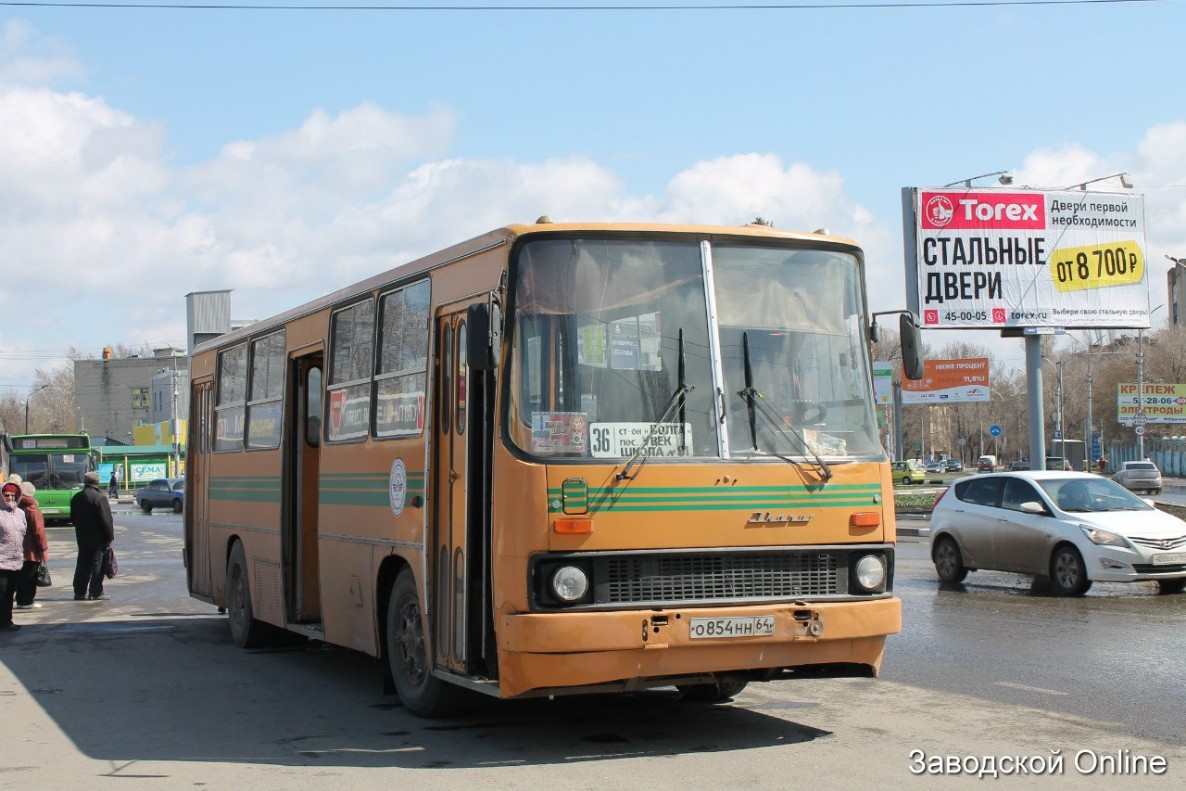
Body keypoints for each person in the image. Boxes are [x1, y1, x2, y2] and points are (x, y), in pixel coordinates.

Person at [70, 470, 114, 601]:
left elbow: (73, 519)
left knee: (82, 565)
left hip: (82, 538)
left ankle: (79, 592)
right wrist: (109, 537)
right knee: (97, 566)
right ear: (97, 482)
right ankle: (95, 592)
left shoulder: (77, 497)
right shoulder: (99, 497)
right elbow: (106, 520)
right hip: (99, 539)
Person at [15, 481, 48, 609]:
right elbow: (38, 531)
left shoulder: (16, 506)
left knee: (21, 575)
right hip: (31, 549)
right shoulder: (32, 508)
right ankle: (26, 601)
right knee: (30, 575)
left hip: (18, 547)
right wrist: (43, 548)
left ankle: (20, 599)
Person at [1, 481, 28, 631]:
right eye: (7, 495)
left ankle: (7, 620)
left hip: (16, 561)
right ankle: (3, 622)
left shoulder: (20, 513)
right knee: (2, 593)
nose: (10, 498)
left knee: (10, 593)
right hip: (1, 561)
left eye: (13, 495)